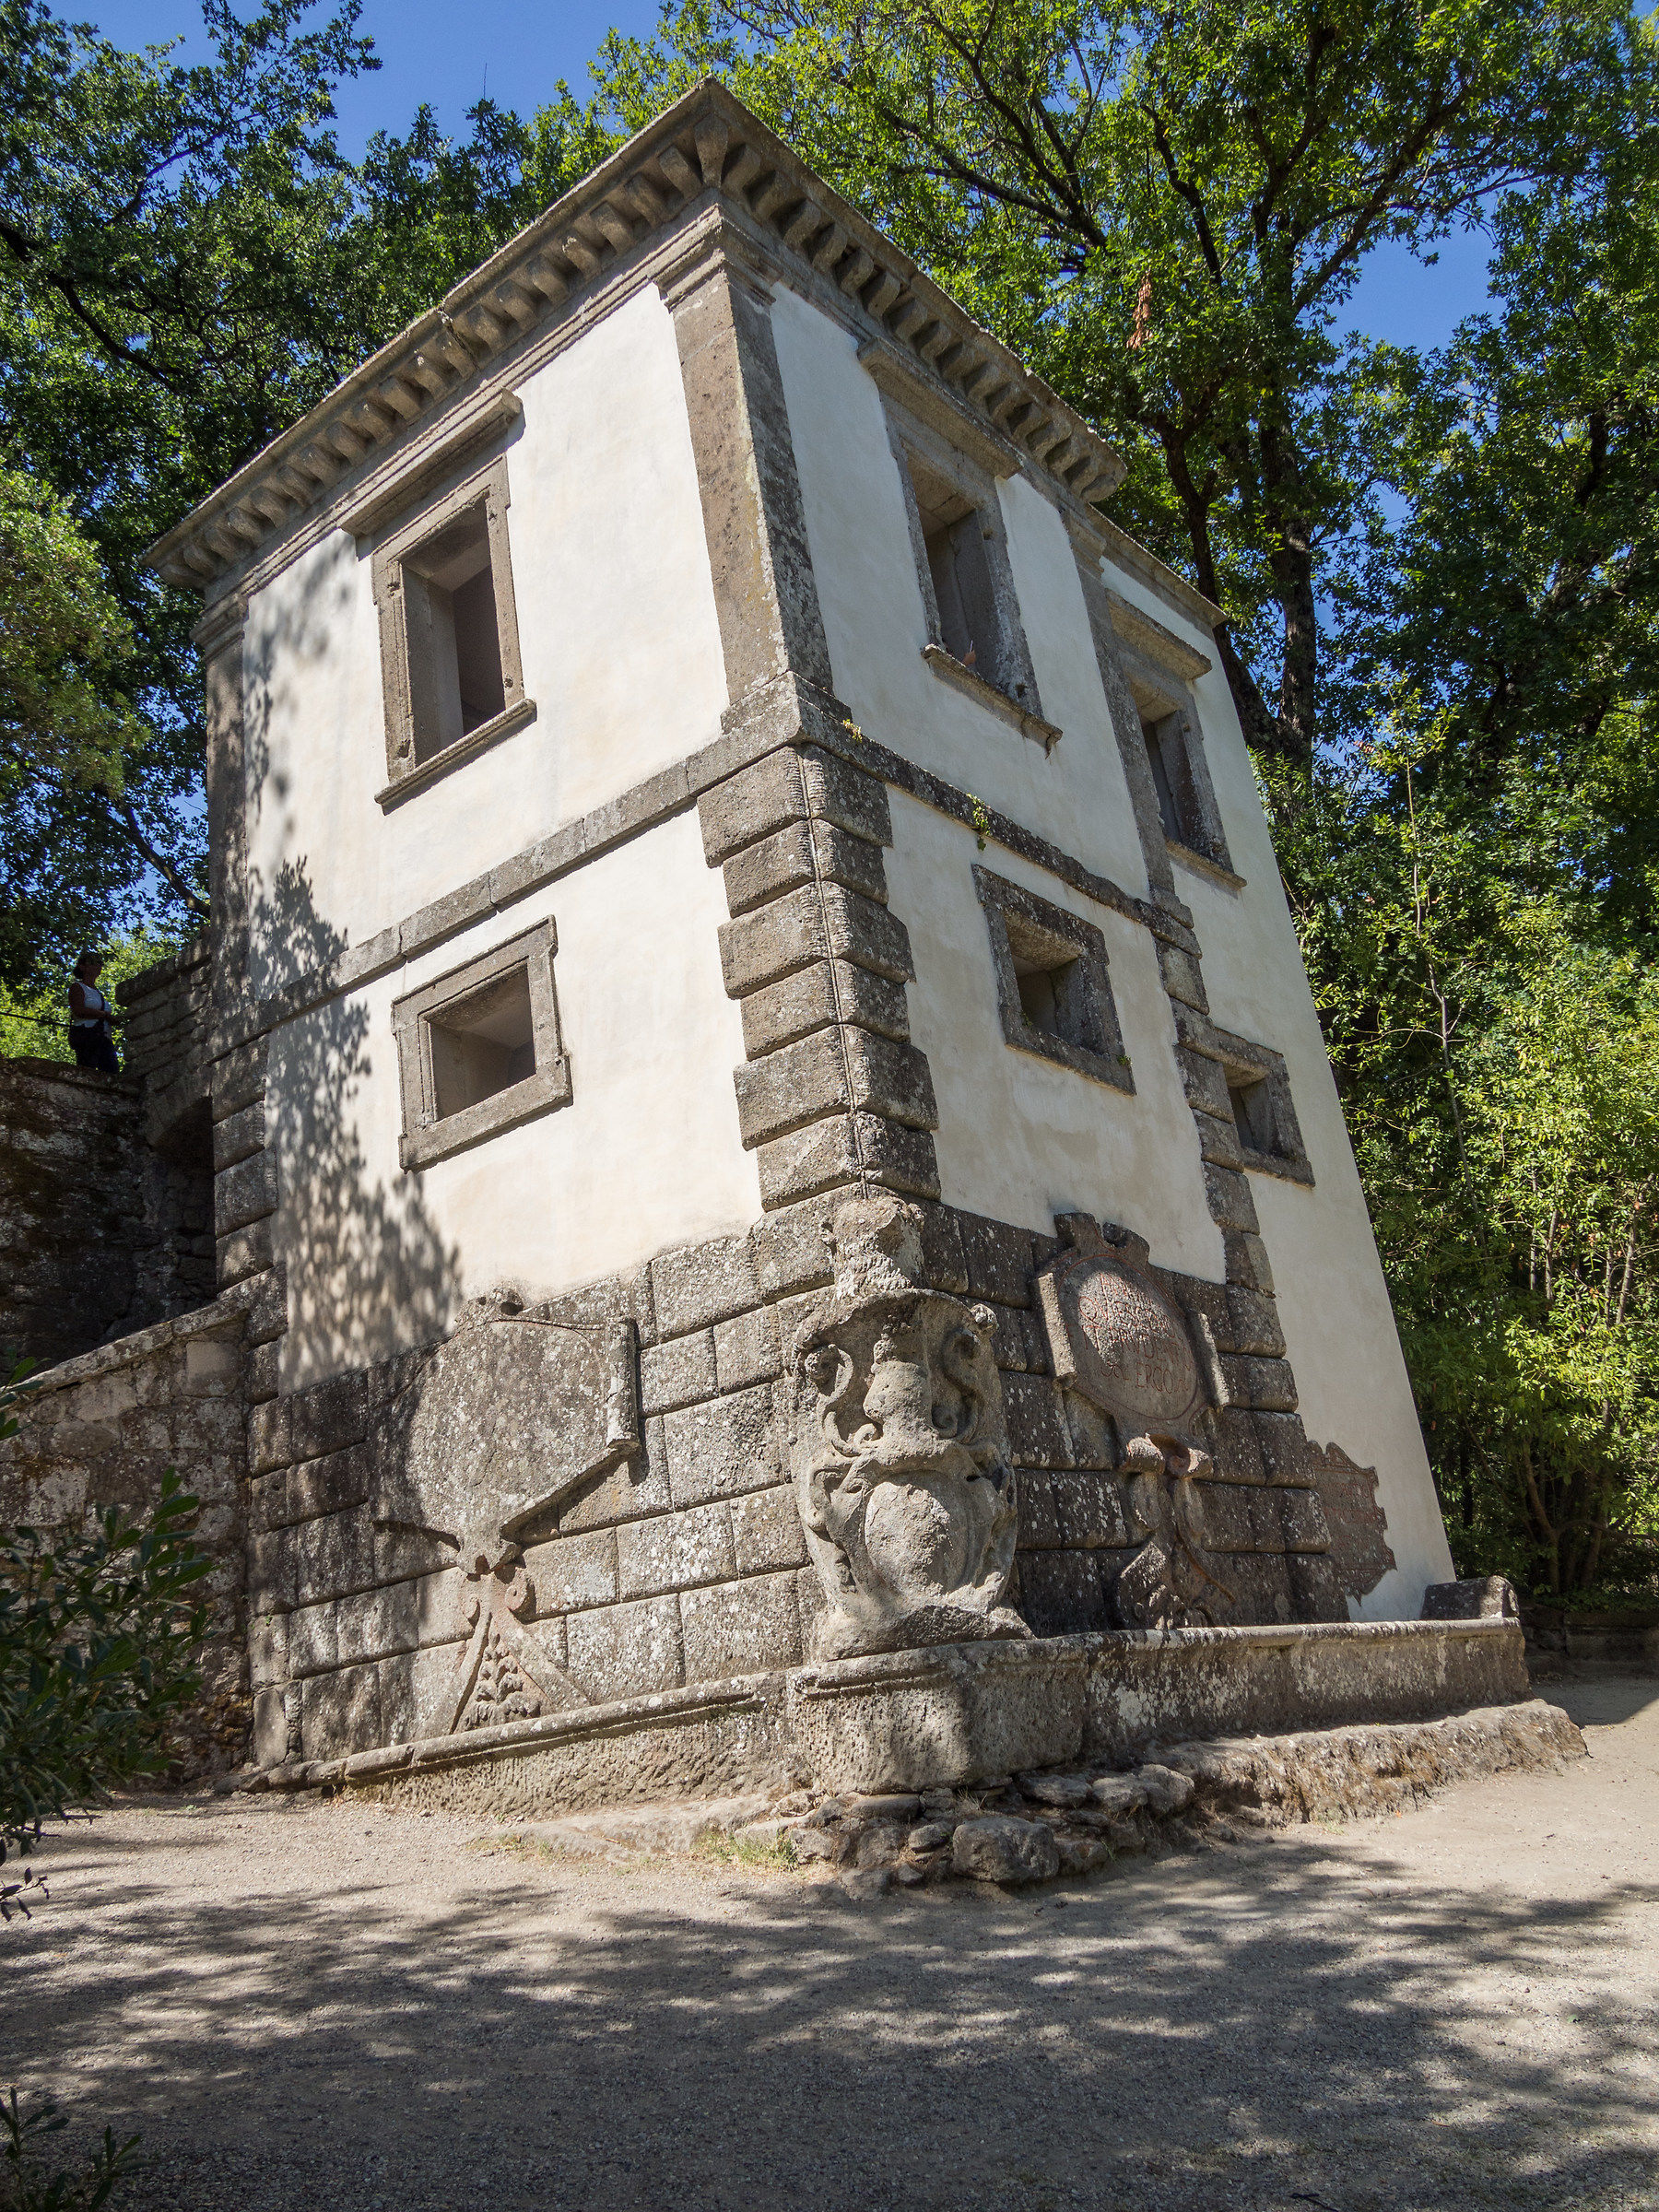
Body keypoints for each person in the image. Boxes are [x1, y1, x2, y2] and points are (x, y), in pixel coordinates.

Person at [67, 952, 120, 1073]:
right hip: (87, 1036)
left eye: (100, 963)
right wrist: (104, 1015)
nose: (98, 966)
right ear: (82, 967)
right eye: (94, 963)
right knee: (87, 1071)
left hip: (104, 1038)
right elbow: (78, 1010)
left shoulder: (98, 992)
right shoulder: (78, 987)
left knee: (112, 1074)